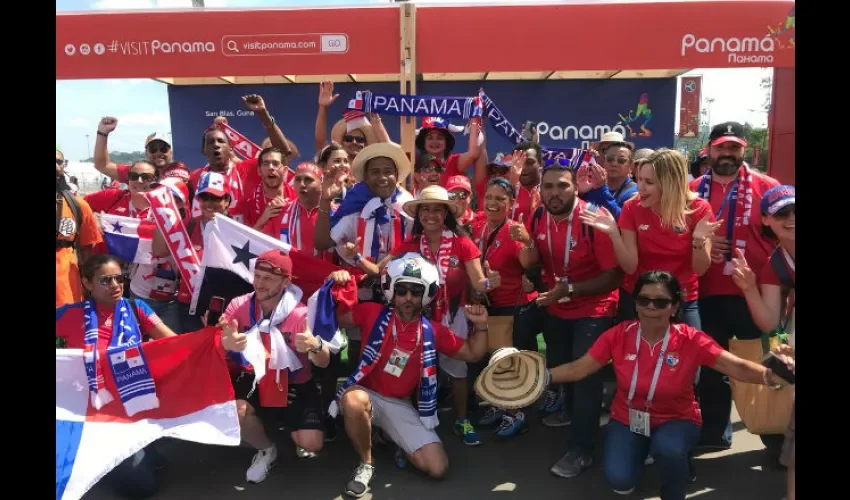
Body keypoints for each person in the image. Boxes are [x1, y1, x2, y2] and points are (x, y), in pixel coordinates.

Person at [545, 270, 794, 500]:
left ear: (674, 307)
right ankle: (644, 451)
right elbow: (580, 368)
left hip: (677, 418)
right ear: (635, 303)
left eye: (661, 302)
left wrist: (770, 376)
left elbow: (736, 367)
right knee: (620, 481)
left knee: (669, 448)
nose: (651, 306)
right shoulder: (618, 334)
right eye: (644, 300)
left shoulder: (690, 338)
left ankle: (675, 481)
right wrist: (542, 378)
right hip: (627, 418)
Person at [325, 254, 490, 498]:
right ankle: (366, 464)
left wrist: (482, 324)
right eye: (401, 290)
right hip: (364, 394)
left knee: (437, 468)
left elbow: (474, 353)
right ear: (392, 291)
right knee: (352, 401)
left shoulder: (433, 331)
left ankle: (387, 434)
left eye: (416, 291)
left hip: (399, 403)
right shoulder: (371, 312)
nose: (408, 298)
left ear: (425, 295)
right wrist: (333, 284)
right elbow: (333, 318)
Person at [56, 254, 177, 498]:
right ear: (87, 284)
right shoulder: (70, 314)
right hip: (90, 410)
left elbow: (173, 343)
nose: (115, 285)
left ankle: (137, 451)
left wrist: (214, 339)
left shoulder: (136, 307)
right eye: (105, 280)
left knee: (143, 488)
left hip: (133, 404)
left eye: (119, 278)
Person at [529, 162, 622, 477]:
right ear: (541, 190)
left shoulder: (593, 220)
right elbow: (538, 258)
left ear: (575, 187)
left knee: (584, 376)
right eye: (549, 186)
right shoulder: (538, 215)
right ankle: (570, 413)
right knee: (560, 364)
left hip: (595, 306)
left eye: (562, 186)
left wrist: (571, 288)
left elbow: (613, 276)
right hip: (558, 304)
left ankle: (583, 449)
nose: (555, 193)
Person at [217, 250, 332, 483]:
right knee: (235, 413)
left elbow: (325, 361)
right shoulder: (240, 305)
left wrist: (315, 345)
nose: (259, 283)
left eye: (268, 278)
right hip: (256, 378)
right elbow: (219, 343)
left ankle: (286, 425)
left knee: (312, 443)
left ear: (285, 281)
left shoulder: (301, 313)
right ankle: (267, 449)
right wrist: (226, 344)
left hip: (295, 383)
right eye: (257, 276)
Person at [581, 149, 719, 327]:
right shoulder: (632, 207)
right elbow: (630, 267)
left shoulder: (698, 209)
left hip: (680, 298)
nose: (640, 187)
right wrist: (614, 234)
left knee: (688, 353)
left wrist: (698, 242)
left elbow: (700, 269)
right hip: (638, 297)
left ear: (669, 183)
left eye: (649, 182)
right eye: (639, 179)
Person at [473, 177, 542, 439]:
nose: (492, 203)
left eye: (499, 199)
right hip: (489, 306)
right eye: (488, 197)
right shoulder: (479, 227)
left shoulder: (514, 231)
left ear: (511, 203)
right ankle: (499, 405)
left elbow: (528, 264)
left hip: (514, 309)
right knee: (494, 361)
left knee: (511, 363)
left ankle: (517, 413)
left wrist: (526, 240)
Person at [57, 148, 103, 308]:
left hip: (66, 288)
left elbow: (87, 250)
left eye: (58, 162)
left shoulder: (78, 205)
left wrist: (89, 284)